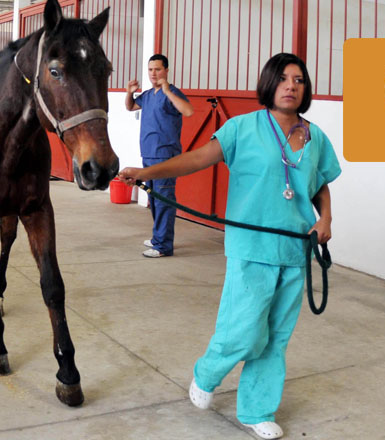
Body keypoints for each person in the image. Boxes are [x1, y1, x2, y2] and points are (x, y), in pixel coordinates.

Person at [118, 53, 340, 440]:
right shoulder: (243, 128)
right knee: (243, 329)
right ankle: (207, 373)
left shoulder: (315, 136)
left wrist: (326, 219)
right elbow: (196, 159)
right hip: (251, 245)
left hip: (294, 249)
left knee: (275, 336)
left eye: (299, 80)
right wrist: (147, 173)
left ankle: (257, 410)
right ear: (269, 84)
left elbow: (319, 183)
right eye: (284, 78)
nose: (292, 86)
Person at [125, 54, 194, 258]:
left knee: (164, 199)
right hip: (148, 155)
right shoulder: (147, 95)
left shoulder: (172, 93)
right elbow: (130, 107)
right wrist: (129, 93)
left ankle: (163, 246)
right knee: (154, 199)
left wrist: (166, 90)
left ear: (166, 71)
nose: (153, 74)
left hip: (165, 155)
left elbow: (188, 111)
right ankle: (158, 238)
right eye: (150, 70)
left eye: (157, 69)